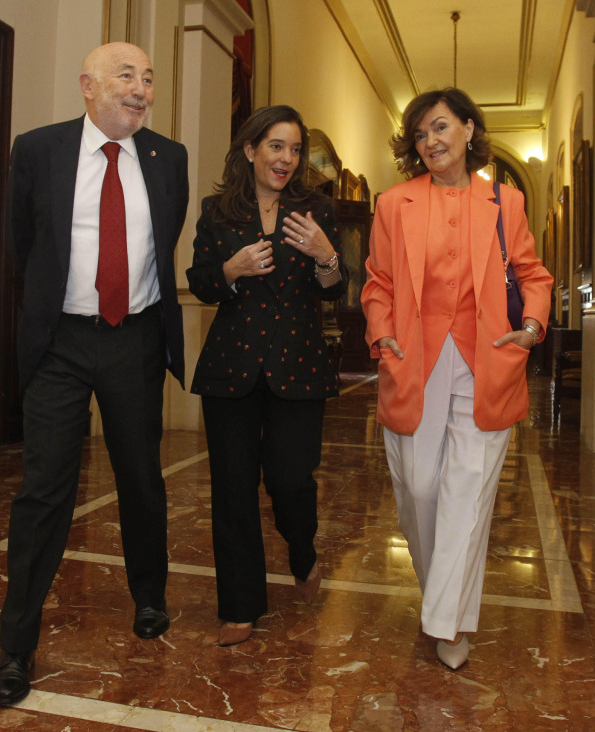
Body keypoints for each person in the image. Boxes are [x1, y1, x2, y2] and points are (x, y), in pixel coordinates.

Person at [0, 42, 189, 706]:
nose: (141, 89)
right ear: (87, 86)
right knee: (44, 489)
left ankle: (149, 594)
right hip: (61, 344)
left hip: (133, 338)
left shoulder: (168, 160)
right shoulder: (37, 151)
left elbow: (165, 238)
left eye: (149, 79)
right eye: (127, 76)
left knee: (140, 476)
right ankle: (16, 646)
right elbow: (24, 241)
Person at [361, 88, 552, 670]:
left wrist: (532, 327)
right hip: (415, 358)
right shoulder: (395, 203)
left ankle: (448, 624)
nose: (431, 142)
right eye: (420, 134)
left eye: (441, 127)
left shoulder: (506, 201)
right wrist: (381, 333)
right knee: (420, 489)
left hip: (486, 357)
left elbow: (533, 273)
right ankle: (441, 597)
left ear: (469, 129)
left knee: (467, 493)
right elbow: (378, 283)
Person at [185, 105, 343, 647]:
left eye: (295, 149)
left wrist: (326, 257)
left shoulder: (317, 209)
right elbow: (201, 280)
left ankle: (302, 551)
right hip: (232, 367)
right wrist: (230, 270)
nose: (287, 158)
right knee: (232, 490)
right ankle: (239, 606)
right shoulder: (218, 212)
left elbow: (334, 288)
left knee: (291, 480)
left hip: (298, 367)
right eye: (277, 146)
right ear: (251, 150)